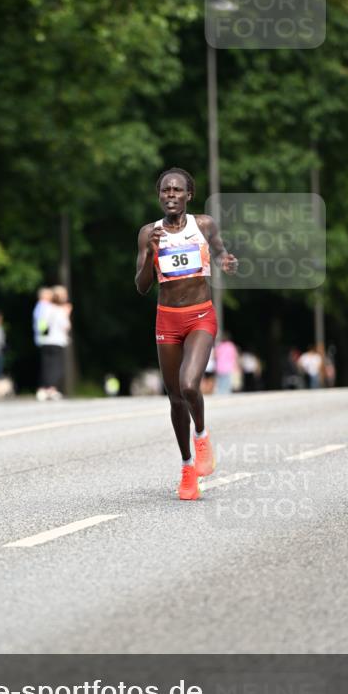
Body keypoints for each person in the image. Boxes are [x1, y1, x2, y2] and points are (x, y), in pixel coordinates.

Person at [135, 167, 238, 500]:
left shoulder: (204, 225)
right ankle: (187, 468)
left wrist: (225, 262)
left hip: (200, 317)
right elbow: (141, 287)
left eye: (177, 190)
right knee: (175, 399)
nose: (171, 195)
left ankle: (202, 434)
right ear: (159, 195)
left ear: (189, 195)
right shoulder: (148, 233)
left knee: (189, 384)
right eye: (165, 190)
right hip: (166, 319)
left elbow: (220, 251)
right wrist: (149, 253)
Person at [37, 285, 71, 400]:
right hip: (57, 340)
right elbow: (66, 326)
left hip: (45, 341)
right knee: (56, 367)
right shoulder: (61, 310)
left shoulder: (45, 308)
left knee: (46, 366)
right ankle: (52, 389)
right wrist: (67, 313)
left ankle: (43, 389)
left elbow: (41, 325)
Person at [33, 287, 53, 398]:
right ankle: (44, 388)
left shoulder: (40, 306)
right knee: (47, 365)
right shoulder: (43, 306)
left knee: (46, 365)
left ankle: (44, 388)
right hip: (45, 339)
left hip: (42, 339)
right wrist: (45, 336)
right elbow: (42, 322)